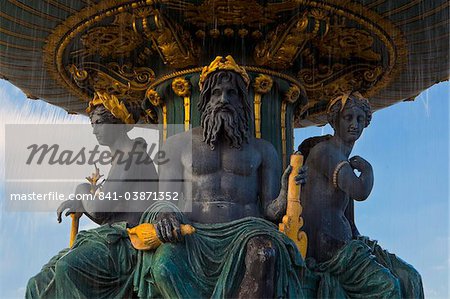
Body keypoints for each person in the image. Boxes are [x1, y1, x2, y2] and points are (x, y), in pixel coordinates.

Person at [133, 56, 308, 298]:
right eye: (216, 93)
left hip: (246, 231)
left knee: (264, 254)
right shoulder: (176, 146)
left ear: (242, 101)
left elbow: (270, 211)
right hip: (191, 235)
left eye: (231, 93)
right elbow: (166, 200)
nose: (223, 100)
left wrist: (287, 190)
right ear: (205, 101)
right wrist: (164, 215)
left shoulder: (263, 150)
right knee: (163, 268)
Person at [26, 93, 158, 298]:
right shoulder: (121, 157)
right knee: (38, 284)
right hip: (111, 240)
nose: (94, 130)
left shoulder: (133, 155)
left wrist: (82, 191)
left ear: (116, 123)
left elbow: (100, 209)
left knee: (68, 267)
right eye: (92, 123)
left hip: (129, 244)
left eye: (99, 123)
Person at [299, 92, 423, 298]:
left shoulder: (343, 162)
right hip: (326, 249)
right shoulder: (325, 152)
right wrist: (368, 171)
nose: (354, 124)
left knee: (410, 277)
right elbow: (359, 191)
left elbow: (351, 222)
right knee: (388, 287)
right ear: (334, 120)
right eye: (348, 118)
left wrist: (365, 245)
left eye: (360, 119)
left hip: (347, 245)